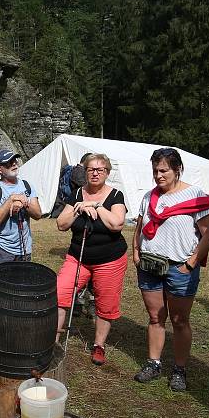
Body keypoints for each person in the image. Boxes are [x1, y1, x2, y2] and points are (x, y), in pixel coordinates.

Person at [132, 148, 209, 391]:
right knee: (156, 317)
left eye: (164, 170)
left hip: (179, 268)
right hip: (149, 265)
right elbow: (139, 227)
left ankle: (179, 369)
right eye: (155, 170)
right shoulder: (149, 197)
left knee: (180, 321)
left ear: (177, 169)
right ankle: (154, 363)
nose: (158, 175)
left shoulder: (196, 196)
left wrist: (190, 263)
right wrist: (136, 252)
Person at [56, 154, 128, 365]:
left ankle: (99, 346)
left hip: (110, 259)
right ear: (85, 171)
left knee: (105, 303)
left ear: (107, 172)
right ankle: (54, 341)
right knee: (60, 294)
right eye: (91, 169)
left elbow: (116, 224)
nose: (95, 173)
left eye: (100, 169)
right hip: (78, 257)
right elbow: (61, 224)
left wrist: (97, 205)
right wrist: (79, 208)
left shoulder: (116, 195)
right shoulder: (77, 193)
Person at [0, 149, 42, 264]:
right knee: (3, 281)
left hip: (24, 247)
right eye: (8, 163)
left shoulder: (27, 185)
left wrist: (22, 203)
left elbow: (37, 214)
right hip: (2, 248)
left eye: (15, 160)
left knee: (23, 281)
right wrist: (12, 199)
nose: (14, 164)